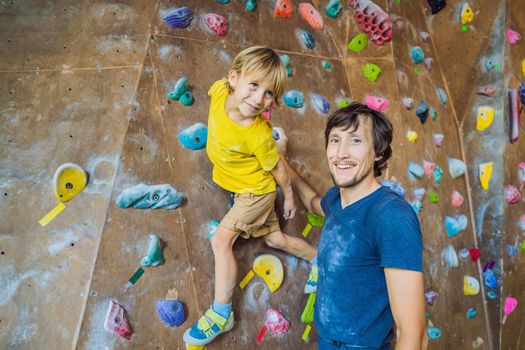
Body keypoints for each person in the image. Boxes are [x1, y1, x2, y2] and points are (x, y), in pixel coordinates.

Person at [183, 46, 318, 346]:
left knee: (220, 241)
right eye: (254, 85)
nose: (259, 98)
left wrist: (290, 197)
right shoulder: (219, 92)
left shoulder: (257, 134)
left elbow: (279, 171)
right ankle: (318, 260)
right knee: (275, 240)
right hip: (244, 186)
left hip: (256, 193)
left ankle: (221, 314)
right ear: (233, 79)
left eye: (269, 93)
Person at [277, 103, 427, 349]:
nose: (341, 153)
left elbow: (414, 333)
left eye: (355, 141)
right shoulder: (336, 199)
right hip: (327, 342)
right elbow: (313, 201)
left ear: (378, 152)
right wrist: (282, 161)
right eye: (335, 140)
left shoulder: (391, 216)